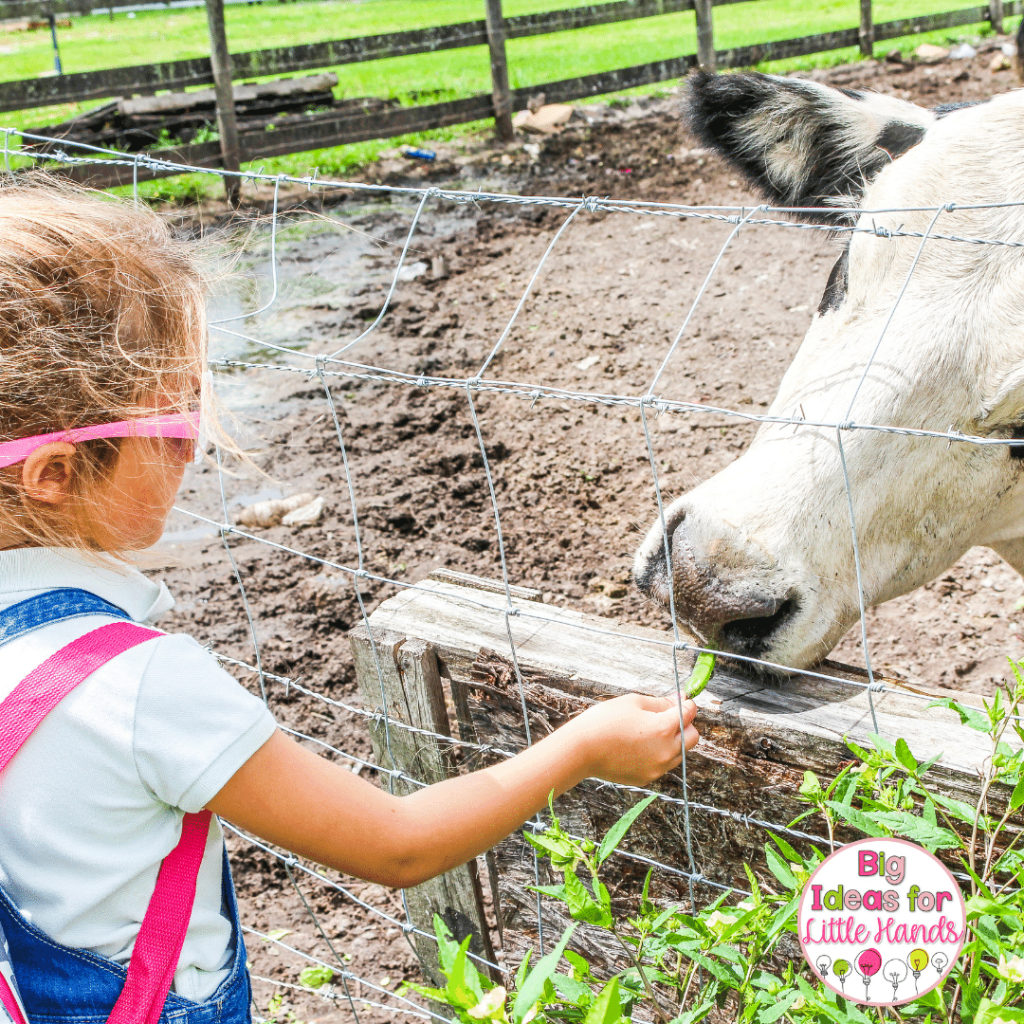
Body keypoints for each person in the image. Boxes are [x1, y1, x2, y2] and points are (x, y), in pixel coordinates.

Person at [0, 183, 700, 1023]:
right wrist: (581, 748)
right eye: (179, 421)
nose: (197, 446)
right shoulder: (139, 688)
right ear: (55, 475)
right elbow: (396, 845)